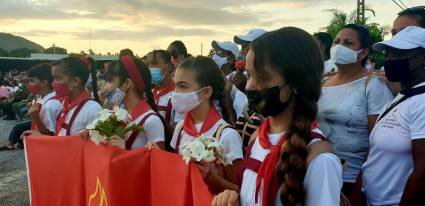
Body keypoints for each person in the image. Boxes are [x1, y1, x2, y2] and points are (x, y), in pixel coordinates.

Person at [212, 27, 343, 206]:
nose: (250, 86)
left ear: (297, 83)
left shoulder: (320, 160)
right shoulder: (257, 138)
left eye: (263, 78)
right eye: (249, 75)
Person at [351, 25, 425, 206]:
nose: (390, 59)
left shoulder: (422, 102)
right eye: (388, 53)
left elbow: (422, 171)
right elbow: (373, 155)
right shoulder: (401, 97)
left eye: (399, 54)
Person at [317, 24, 394, 197]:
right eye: (336, 42)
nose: (338, 47)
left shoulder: (373, 86)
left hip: (352, 179)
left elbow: (377, 143)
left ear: (363, 53)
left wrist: (360, 186)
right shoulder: (323, 83)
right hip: (321, 173)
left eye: (348, 43)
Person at [170, 56, 243, 194]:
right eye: (175, 85)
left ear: (206, 92)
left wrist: (212, 179)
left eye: (182, 86)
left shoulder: (226, 135)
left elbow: (240, 192)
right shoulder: (180, 128)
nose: (175, 93)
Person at [102, 55, 168, 150]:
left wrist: (124, 153)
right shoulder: (119, 113)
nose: (104, 88)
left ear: (127, 83)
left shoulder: (152, 121)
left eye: (109, 81)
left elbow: (158, 162)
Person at [51, 57, 102, 136]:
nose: (53, 84)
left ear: (75, 81)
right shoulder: (66, 103)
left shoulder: (92, 109)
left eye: (58, 78)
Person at [147, 50, 184, 126]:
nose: (150, 68)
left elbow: (177, 129)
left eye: (154, 63)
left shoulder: (179, 95)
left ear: (169, 66)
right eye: (148, 64)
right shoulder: (149, 93)